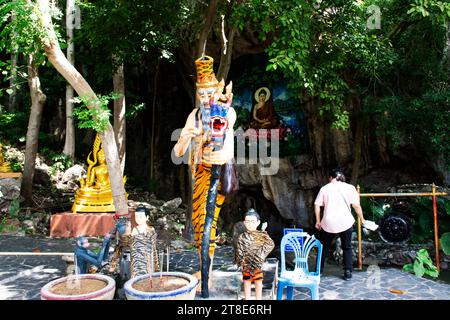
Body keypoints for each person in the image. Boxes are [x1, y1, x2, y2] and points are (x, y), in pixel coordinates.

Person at [173, 55, 236, 296]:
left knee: (207, 223)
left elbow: (229, 143)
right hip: (198, 176)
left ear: (218, 92)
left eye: (209, 92)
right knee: (199, 227)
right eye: (201, 93)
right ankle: (204, 269)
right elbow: (178, 153)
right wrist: (185, 136)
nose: (205, 98)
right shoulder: (195, 116)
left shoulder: (226, 112)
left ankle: (206, 275)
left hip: (216, 177)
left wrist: (222, 155)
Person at [314, 169, 366, 280]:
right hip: (345, 221)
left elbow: (317, 205)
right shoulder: (350, 188)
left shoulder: (325, 188)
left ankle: (318, 271)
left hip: (328, 222)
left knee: (323, 247)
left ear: (331, 178)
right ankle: (348, 272)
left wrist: (318, 221)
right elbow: (356, 206)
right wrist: (362, 219)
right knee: (347, 247)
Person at [235, 209, 274, 300]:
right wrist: (240, 260)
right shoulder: (242, 237)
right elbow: (239, 249)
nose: (250, 224)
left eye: (252, 221)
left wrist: (260, 255)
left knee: (258, 281)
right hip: (246, 264)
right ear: (244, 223)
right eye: (247, 221)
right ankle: (247, 298)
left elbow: (270, 245)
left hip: (257, 264)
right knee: (246, 281)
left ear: (258, 223)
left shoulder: (262, 236)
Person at [130, 207, 159, 278]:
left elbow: (153, 247)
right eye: (136, 216)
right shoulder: (134, 230)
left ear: (147, 217)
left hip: (148, 259)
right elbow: (132, 246)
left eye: (140, 216)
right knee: (136, 279)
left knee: (148, 278)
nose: (138, 219)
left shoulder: (151, 230)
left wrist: (156, 263)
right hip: (136, 260)